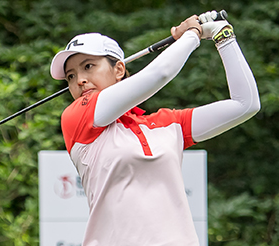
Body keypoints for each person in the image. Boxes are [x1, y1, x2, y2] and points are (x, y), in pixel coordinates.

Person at [49, 11, 260, 245]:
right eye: (70, 76)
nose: (79, 80)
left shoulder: (167, 124)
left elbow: (245, 105)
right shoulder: (77, 117)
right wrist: (192, 34)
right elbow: (159, 73)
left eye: (88, 66)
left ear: (119, 69)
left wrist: (223, 36)